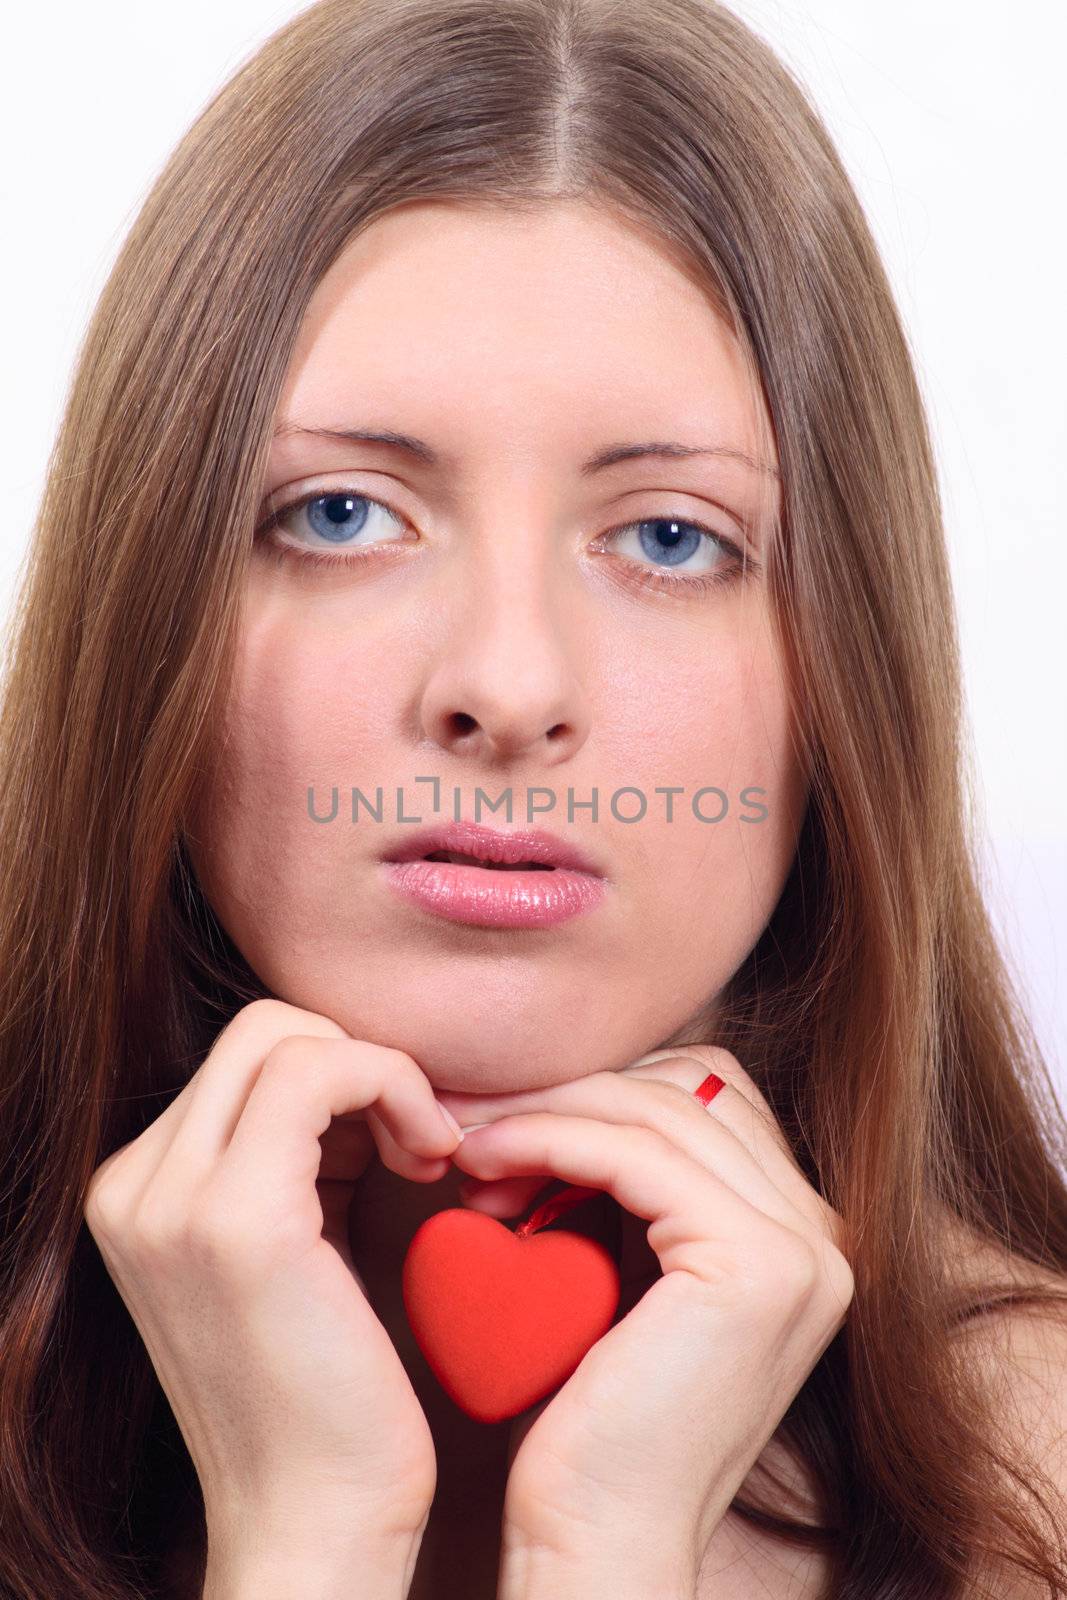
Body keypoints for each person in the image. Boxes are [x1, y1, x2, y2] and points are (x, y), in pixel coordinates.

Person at [1, 0, 1065, 1596]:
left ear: (846, 669)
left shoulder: (1036, 1481)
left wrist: (609, 1549)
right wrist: (308, 1543)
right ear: (151, 606)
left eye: (667, 537)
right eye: (343, 512)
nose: (506, 684)